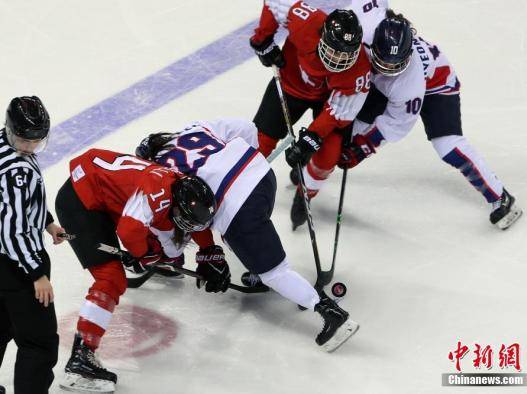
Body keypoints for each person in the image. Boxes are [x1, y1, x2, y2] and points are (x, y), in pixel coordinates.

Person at [135, 118, 360, 353]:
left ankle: (331, 314)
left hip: (237, 209)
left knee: (274, 272)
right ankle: (257, 263)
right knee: (236, 234)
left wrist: (171, 255)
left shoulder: (160, 174)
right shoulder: (193, 128)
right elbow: (248, 129)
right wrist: (249, 168)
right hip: (262, 176)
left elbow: (184, 223)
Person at [339, 2, 522, 229]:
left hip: (437, 87)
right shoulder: (366, 32)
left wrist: (364, 147)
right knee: (347, 129)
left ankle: (499, 196)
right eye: (383, 61)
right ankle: (312, 175)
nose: (388, 68)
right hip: (389, 87)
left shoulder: (408, 80)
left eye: (394, 64)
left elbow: (397, 123)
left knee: (447, 145)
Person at [55, 148, 219, 393]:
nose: (189, 228)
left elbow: (193, 220)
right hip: (81, 201)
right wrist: (144, 256)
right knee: (111, 277)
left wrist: (209, 252)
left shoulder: (178, 187)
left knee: (165, 239)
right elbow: (129, 231)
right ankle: (81, 358)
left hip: (104, 192)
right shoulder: (156, 194)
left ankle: (156, 254)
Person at [250, 0, 372, 229]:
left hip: (327, 102)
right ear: (322, 35)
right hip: (289, 85)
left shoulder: (359, 71)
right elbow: (275, 2)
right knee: (258, 145)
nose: (338, 60)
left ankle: (305, 191)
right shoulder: (306, 21)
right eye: (334, 51)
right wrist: (262, 39)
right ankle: (239, 195)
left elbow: (339, 111)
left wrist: (311, 139)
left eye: (346, 54)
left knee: (328, 156)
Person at [0, 96, 64, 394]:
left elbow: (16, 206)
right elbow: (12, 232)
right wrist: (37, 273)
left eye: (36, 140)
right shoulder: (17, 170)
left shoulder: (4, 147)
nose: (29, 147)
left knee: (1, 325)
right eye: (23, 140)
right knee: (40, 342)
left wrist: (46, 221)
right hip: (16, 266)